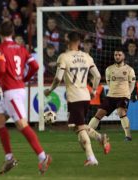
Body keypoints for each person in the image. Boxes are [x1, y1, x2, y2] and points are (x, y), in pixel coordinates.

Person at [0, 21, 51, 175]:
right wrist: (24, 78)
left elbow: (1, 69)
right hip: (15, 89)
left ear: (0, 34)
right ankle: (9, 158)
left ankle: (43, 156)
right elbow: (35, 66)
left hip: (12, 92)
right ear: (12, 33)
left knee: (22, 125)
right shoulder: (22, 48)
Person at [44, 31, 110, 166]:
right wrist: (94, 91)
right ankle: (99, 137)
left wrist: (49, 90)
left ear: (68, 42)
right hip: (85, 96)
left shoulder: (64, 57)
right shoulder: (87, 57)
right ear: (79, 43)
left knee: (79, 128)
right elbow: (97, 76)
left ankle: (91, 157)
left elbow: (57, 78)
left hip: (74, 97)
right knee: (75, 126)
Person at [88, 47, 136, 141]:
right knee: (99, 113)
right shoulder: (109, 69)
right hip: (111, 96)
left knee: (121, 112)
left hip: (123, 96)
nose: (117, 57)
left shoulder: (130, 70)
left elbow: (132, 84)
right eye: (115, 55)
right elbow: (109, 82)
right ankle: (87, 133)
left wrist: (127, 94)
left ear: (123, 56)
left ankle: (128, 136)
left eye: (119, 55)